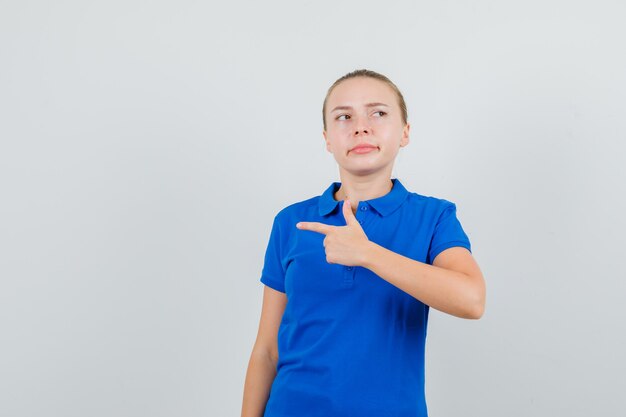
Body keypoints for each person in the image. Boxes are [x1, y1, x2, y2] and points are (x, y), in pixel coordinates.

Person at [241, 69, 486, 417]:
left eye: (378, 113)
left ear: (405, 132)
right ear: (327, 138)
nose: (361, 127)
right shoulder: (290, 222)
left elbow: (472, 300)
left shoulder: (434, 217)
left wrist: (368, 254)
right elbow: (266, 350)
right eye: (344, 116)